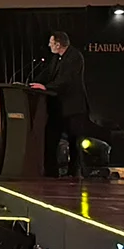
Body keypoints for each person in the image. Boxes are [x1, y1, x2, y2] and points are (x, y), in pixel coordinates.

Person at [32, 30, 91, 176]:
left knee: (74, 141)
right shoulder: (56, 58)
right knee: (51, 138)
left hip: (73, 107)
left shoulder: (75, 57)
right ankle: (51, 172)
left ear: (58, 44)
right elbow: (48, 74)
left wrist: (46, 87)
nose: (49, 45)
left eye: (51, 43)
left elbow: (66, 80)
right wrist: (33, 83)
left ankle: (74, 173)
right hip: (58, 106)